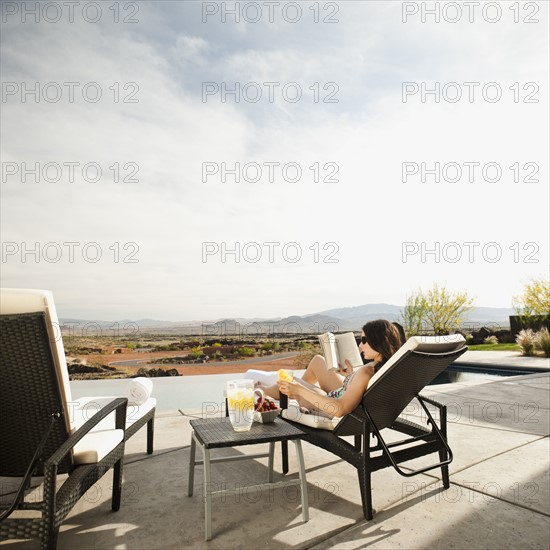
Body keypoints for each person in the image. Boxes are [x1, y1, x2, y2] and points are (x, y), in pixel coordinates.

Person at [263, 320, 402, 418]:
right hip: (342, 392)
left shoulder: (367, 371)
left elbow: (339, 409)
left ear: (379, 342)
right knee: (318, 360)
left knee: (291, 381)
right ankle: (293, 393)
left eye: (364, 340)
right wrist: (351, 375)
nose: (360, 346)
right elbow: (363, 387)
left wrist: (300, 390)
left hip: (329, 404)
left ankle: (261, 390)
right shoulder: (384, 365)